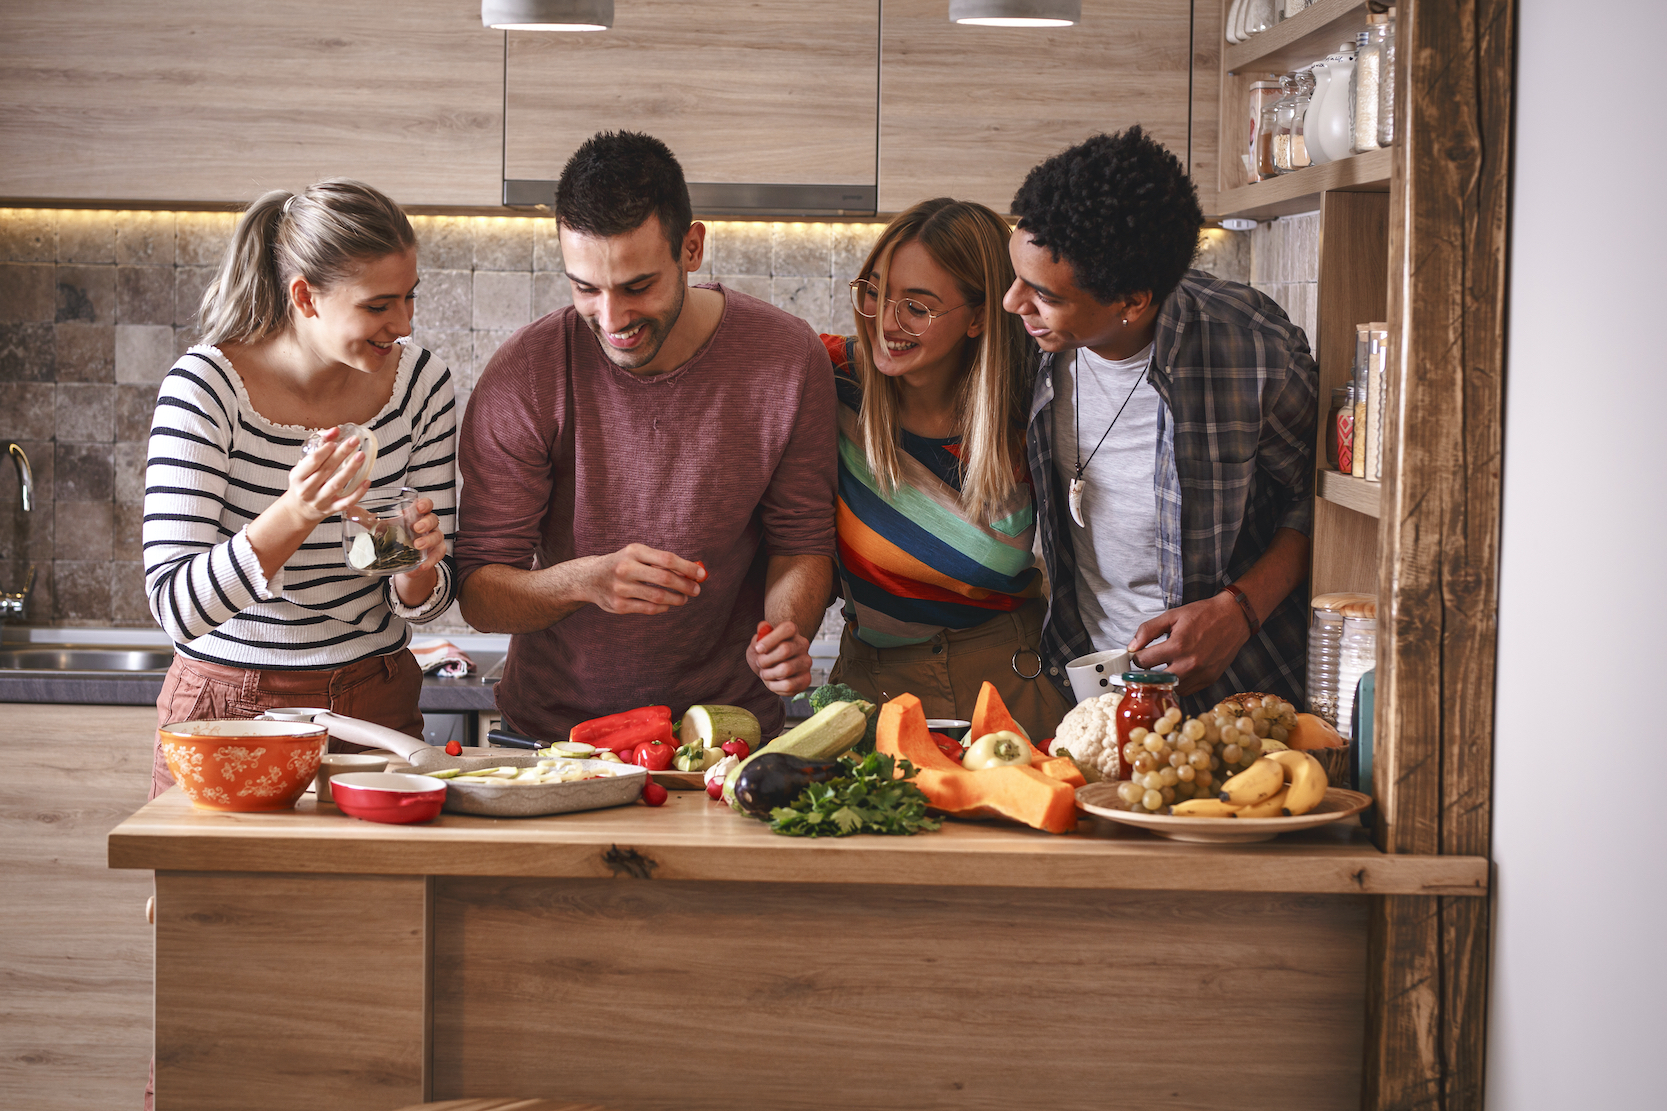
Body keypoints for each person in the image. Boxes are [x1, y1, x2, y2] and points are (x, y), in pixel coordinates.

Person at [453, 131, 836, 740]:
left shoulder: (788, 358)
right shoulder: (526, 375)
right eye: (585, 288)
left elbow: (802, 542)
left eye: (637, 286)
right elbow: (479, 591)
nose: (612, 319)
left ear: (692, 247)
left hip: (723, 737)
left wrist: (787, 631)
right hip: (555, 739)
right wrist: (585, 581)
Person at [143, 179, 457, 799]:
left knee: (375, 901)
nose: (403, 322)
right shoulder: (206, 389)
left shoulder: (421, 385)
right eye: (377, 305)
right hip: (230, 707)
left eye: (409, 298)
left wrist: (413, 563)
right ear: (305, 297)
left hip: (376, 700)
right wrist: (298, 510)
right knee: (218, 898)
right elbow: (176, 607)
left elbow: (422, 598)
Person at [1003, 126, 1318, 713]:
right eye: (1016, 276)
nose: (1012, 303)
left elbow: (1320, 501)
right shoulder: (1029, 342)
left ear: (1132, 302)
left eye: (1043, 294)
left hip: (1236, 695)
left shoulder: (1251, 350)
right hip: (1089, 687)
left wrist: (1239, 611)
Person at [822, 198, 1070, 743]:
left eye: (917, 306)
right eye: (875, 294)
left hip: (1011, 688)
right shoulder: (831, 379)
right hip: (869, 693)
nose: (886, 323)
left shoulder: (1033, 411)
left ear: (981, 316)